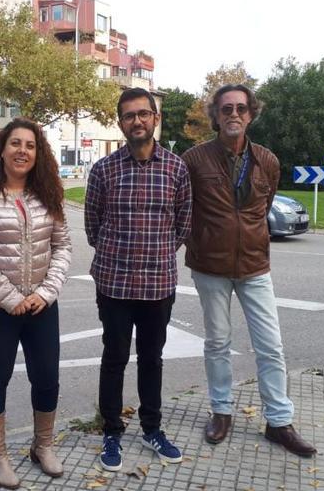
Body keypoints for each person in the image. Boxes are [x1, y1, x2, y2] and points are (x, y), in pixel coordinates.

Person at [181, 84, 317, 457]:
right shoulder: (195, 160)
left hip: (255, 266)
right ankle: (221, 412)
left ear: (251, 113)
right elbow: (184, 209)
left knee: (271, 346)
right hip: (210, 266)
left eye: (241, 108)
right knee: (218, 343)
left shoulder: (268, 161)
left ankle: (279, 422)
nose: (234, 115)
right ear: (216, 115)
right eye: (226, 109)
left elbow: (263, 206)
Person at [0, 117, 72, 489]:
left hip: (41, 305)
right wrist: (10, 298)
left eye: (30, 145)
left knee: (47, 378)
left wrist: (45, 293)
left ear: (38, 153)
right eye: (16, 144)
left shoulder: (49, 193)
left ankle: (43, 447)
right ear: (2, 149)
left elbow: (62, 247)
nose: (23, 151)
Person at [85, 87, 193, 471]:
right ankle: (111, 431)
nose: (137, 121)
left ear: (155, 119)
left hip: (158, 285)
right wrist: (121, 256)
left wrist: (156, 253)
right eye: (129, 115)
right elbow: (93, 226)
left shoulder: (176, 169)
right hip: (114, 284)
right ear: (120, 122)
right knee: (113, 358)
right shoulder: (103, 170)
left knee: (152, 359)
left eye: (143, 114)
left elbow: (183, 224)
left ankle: (152, 428)